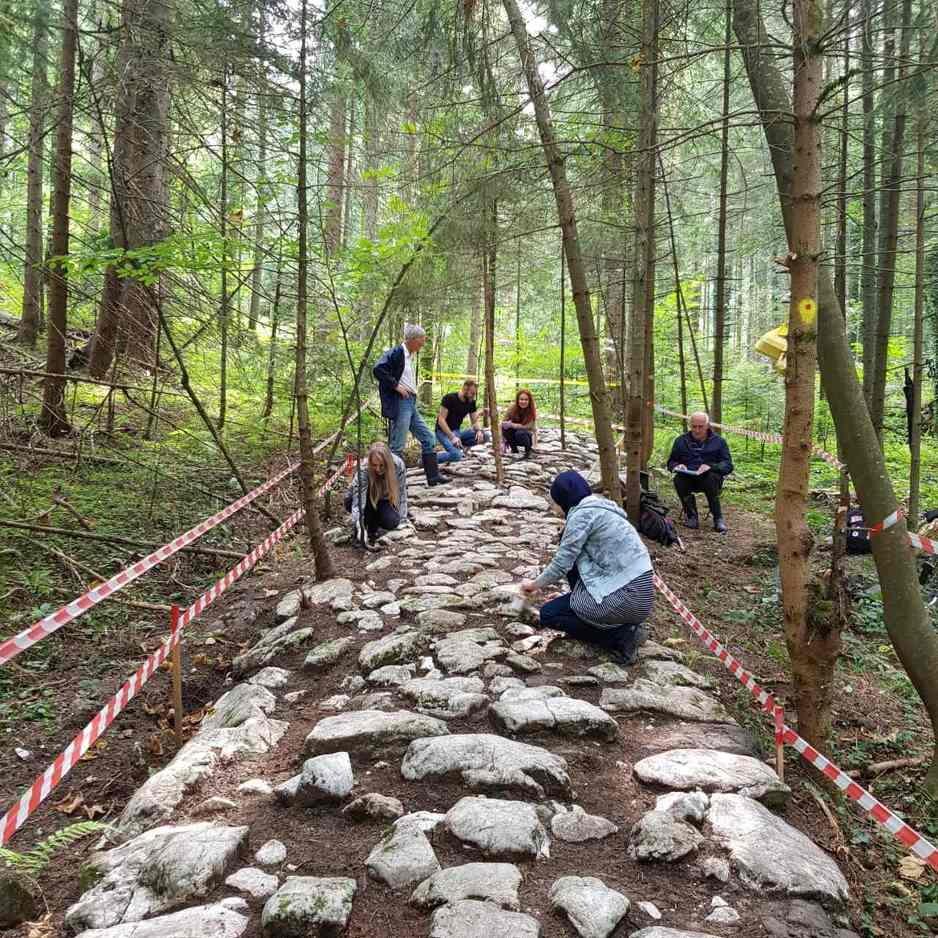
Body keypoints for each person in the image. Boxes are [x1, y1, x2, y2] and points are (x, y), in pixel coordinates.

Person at [520, 470, 654, 664]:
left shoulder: (581, 516)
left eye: (554, 502)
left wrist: (533, 585)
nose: (554, 508)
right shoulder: (606, 509)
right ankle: (623, 627)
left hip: (622, 598)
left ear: (562, 500)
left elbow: (562, 564)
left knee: (549, 614)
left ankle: (621, 636)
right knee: (567, 602)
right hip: (642, 597)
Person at [373, 324, 448, 486]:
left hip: (410, 403)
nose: (423, 342)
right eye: (422, 339)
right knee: (397, 445)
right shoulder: (396, 352)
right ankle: (394, 485)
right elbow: (378, 369)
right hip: (400, 402)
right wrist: (396, 386)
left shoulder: (409, 356)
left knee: (428, 437)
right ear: (413, 339)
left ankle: (433, 477)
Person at [667, 411, 734, 533]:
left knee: (711, 478)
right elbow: (671, 462)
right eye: (694, 427)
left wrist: (711, 466)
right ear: (690, 426)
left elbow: (728, 465)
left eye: (700, 427)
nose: (697, 430)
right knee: (679, 479)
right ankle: (691, 516)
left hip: (710, 479)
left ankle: (718, 518)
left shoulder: (719, 442)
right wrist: (678, 466)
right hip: (689, 478)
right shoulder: (680, 441)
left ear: (707, 425)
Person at [345, 442, 408, 547]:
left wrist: (403, 520)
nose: (378, 469)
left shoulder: (398, 465)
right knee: (353, 504)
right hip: (365, 498)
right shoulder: (364, 469)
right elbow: (358, 501)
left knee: (392, 521)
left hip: (383, 499)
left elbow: (402, 493)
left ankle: (373, 524)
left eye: (382, 465)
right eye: (374, 465)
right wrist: (359, 525)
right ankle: (363, 528)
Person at [436, 379, 488, 463]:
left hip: (457, 432)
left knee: (485, 436)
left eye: (475, 394)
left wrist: (479, 431)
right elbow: (441, 420)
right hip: (443, 432)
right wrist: (452, 437)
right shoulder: (449, 398)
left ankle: (458, 448)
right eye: (472, 393)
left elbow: (474, 422)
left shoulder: (471, 402)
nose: (473, 396)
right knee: (456, 456)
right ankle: (428, 459)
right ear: (465, 389)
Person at [502, 388, 538, 457]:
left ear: (529, 401)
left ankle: (528, 451)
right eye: (521, 399)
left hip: (527, 436)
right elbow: (503, 423)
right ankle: (514, 449)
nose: (523, 402)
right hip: (514, 435)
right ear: (518, 400)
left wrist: (512, 425)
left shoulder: (532, 410)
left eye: (526, 400)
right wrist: (501, 441)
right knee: (506, 429)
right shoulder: (512, 408)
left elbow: (529, 426)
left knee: (521, 432)